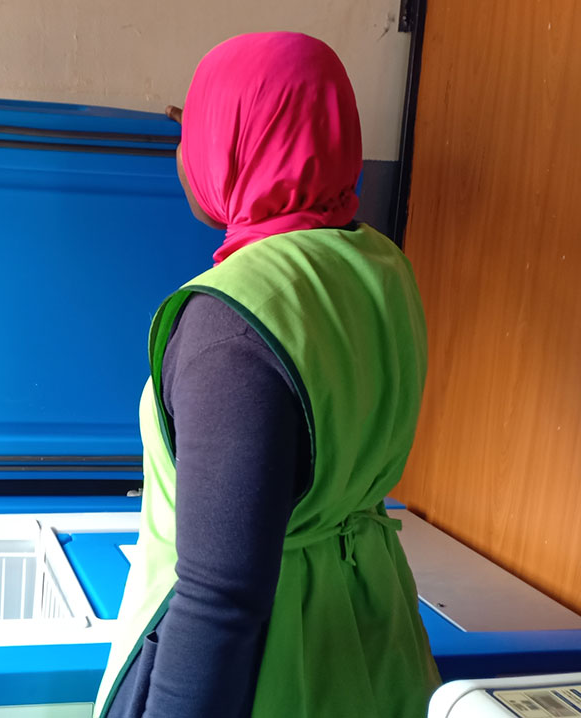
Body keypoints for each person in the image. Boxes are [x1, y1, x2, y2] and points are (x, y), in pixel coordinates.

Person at [93, 32, 441, 718]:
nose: (183, 154)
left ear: (239, 142)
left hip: (273, 673)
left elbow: (217, 602)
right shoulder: (380, 269)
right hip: (375, 643)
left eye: (194, 129)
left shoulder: (234, 321)